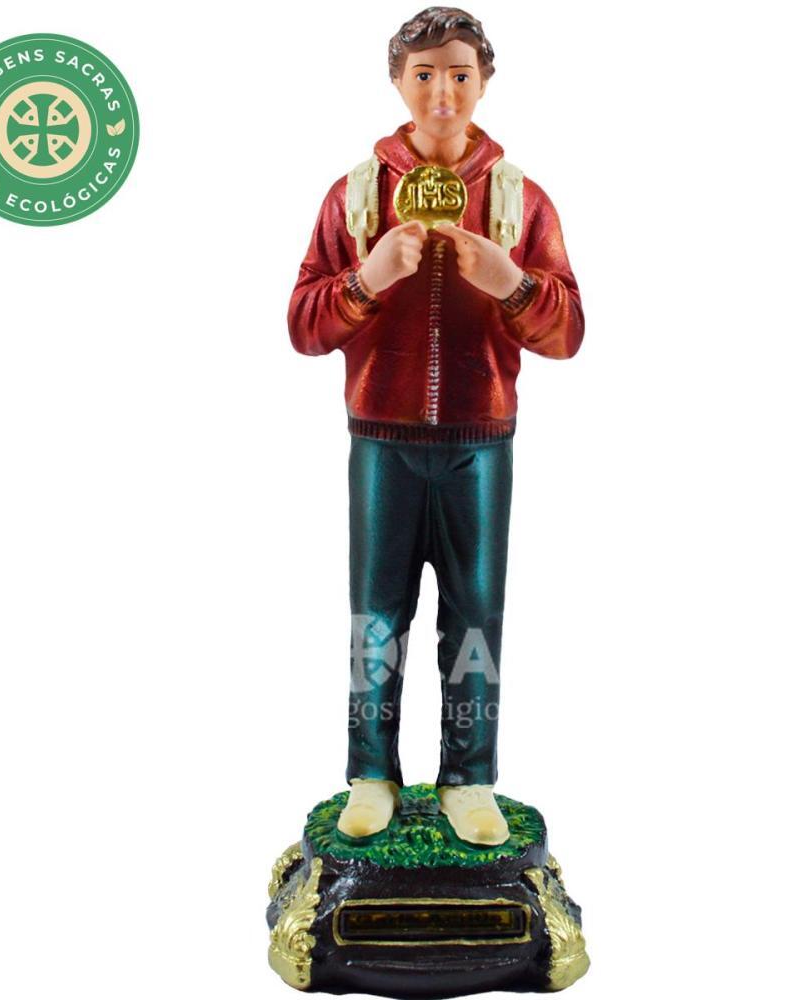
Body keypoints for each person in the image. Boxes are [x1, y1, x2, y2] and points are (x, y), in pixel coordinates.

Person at [287, 7, 583, 845]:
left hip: (480, 444)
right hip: (380, 440)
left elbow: (568, 332)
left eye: (459, 74)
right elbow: (304, 324)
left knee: (475, 616)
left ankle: (468, 778)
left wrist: (512, 284)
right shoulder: (354, 195)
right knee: (375, 616)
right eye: (424, 75)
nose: (442, 93)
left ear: (484, 82)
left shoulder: (522, 200)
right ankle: (370, 772)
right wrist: (366, 279)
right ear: (397, 82)